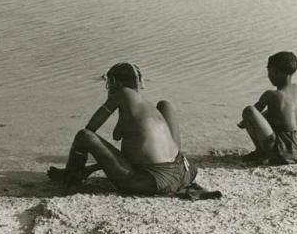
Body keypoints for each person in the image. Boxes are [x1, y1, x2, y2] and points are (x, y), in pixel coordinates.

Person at [48, 62, 221, 200]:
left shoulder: (122, 93)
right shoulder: (146, 108)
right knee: (165, 104)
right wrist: (92, 169)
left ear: (115, 83)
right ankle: (77, 173)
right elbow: (137, 155)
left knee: (83, 137)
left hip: (155, 181)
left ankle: (71, 176)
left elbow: (90, 130)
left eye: (109, 83)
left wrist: (84, 167)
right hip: (185, 171)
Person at [238, 51, 297, 164]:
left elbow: (254, 113)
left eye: (271, 72)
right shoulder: (296, 88)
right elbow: (279, 112)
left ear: (277, 73)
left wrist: (244, 123)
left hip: (283, 151)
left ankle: (261, 152)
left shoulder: (271, 95)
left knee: (249, 110)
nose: (269, 76)